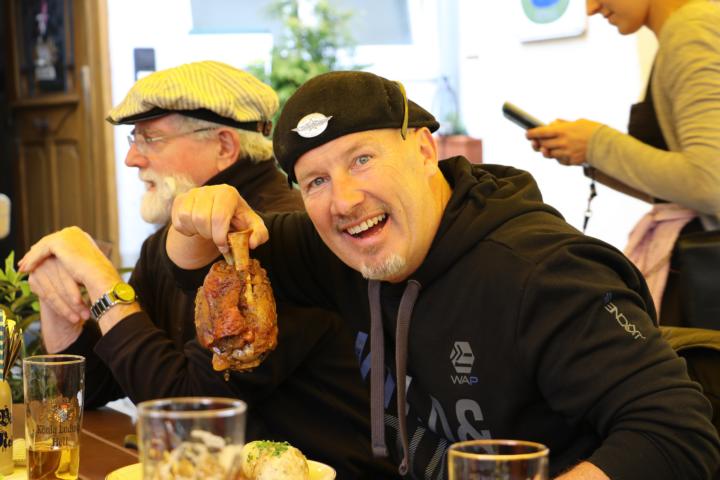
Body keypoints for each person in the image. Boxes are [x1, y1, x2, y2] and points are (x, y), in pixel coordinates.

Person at [159, 70, 719, 479]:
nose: (345, 200)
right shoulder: (344, 244)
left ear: (425, 151)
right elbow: (196, 272)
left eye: (362, 159)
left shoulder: (542, 272)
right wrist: (191, 217)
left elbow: (676, 432)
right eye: (316, 181)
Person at [18, 61, 399, 479]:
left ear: (224, 146)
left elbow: (188, 410)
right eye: (133, 138)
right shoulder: (164, 243)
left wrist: (101, 282)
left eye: (151, 138)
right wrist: (54, 287)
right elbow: (94, 388)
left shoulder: (277, 238)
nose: (131, 158)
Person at [524, 0, 720, 326]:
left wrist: (597, 144)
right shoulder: (686, 31)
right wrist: (590, 156)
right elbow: (685, 191)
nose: (590, 8)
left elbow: (709, 182)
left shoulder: (692, 31)